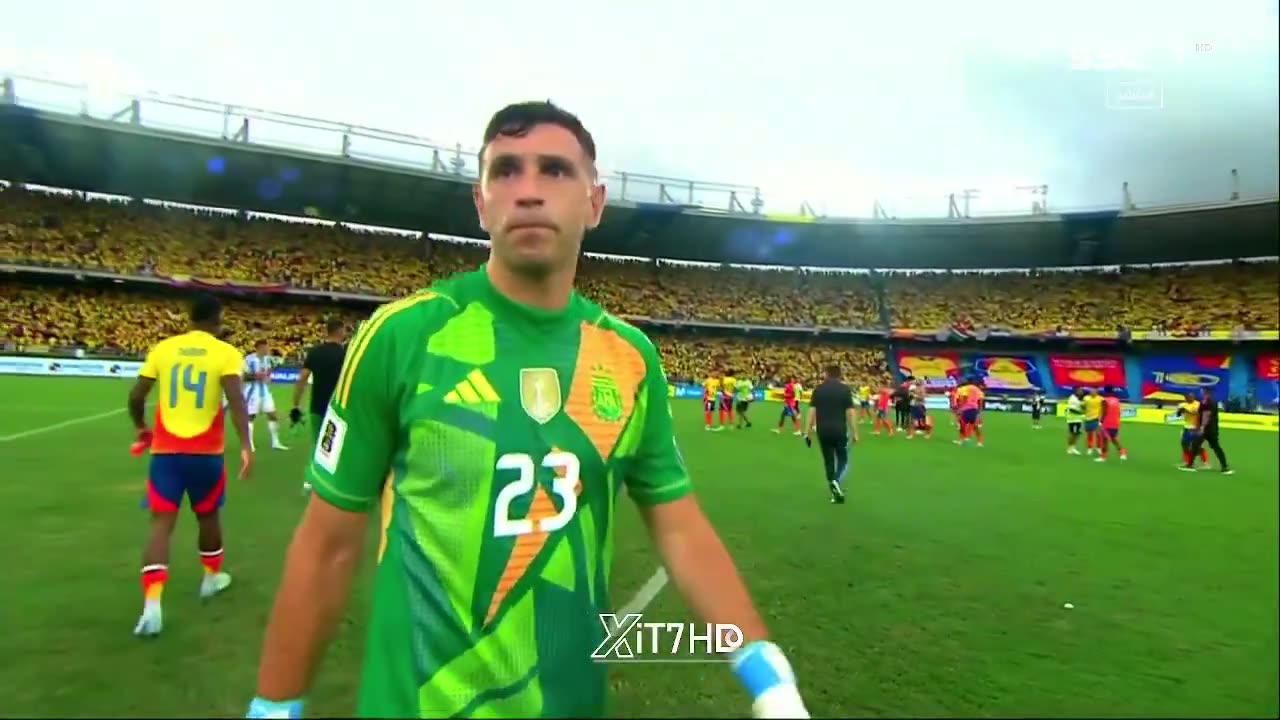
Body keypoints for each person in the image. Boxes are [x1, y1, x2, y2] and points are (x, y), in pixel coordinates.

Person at [246, 101, 809, 720]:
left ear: (594, 203)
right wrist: (274, 705)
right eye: (506, 171)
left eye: (555, 172)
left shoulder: (629, 358)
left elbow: (679, 524)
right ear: (481, 203)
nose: (530, 191)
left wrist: (764, 669)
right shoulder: (402, 337)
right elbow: (328, 543)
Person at [126, 293, 254, 637]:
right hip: (206, 455)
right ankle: (211, 579)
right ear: (218, 318)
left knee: (160, 525)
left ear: (190, 318)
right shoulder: (225, 353)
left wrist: (141, 427)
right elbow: (236, 399)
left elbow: (136, 396)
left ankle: (152, 606)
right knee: (208, 515)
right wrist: (245, 445)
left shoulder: (163, 349)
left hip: (166, 454)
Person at [291, 319, 350, 493]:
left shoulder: (315, 352)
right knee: (340, 446)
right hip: (340, 408)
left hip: (317, 406)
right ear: (340, 332)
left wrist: (296, 404)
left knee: (318, 445)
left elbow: (302, 378)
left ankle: (310, 483)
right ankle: (337, 484)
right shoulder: (347, 354)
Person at [802, 364, 859, 504]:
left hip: (822, 430)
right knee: (843, 459)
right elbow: (850, 412)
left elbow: (811, 411)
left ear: (826, 374)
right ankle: (836, 481)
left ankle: (834, 488)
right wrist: (855, 432)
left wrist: (807, 431)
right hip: (839, 429)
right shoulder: (844, 389)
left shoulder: (819, 389)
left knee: (828, 460)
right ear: (839, 375)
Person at [243, 339, 289, 451]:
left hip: (265, 391)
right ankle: (249, 444)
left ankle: (275, 442)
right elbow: (243, 377)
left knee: (272, 414)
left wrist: (268, 375)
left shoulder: (268, 359)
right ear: (258, 348)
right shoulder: (249, 359)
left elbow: (270, 370)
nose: (267, 349)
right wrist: (255, 376)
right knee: (250, 417)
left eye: (267, 347)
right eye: (265, 347)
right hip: (252, 391)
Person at [1182, 388, 1233, 474]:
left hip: (1206, 429)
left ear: (1206, 392)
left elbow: (1206, 414)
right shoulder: (1213, 401)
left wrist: (1202, 427)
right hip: (1213, 429)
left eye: (1203, 391)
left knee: (1195, 445)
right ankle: (1225, 467)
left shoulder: (1206, 401)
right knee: (1215, 447)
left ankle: (1190, 465)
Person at [1176, 392, 1210, 469]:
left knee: (1198, 447)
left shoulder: (1198, 404)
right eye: (1188, 397)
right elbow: (1178, 415)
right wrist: (1179, 411)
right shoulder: (1182, 405)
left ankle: (1205, 463)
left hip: (1196, 428)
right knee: (1185, 446)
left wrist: (1185, 410)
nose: (1190, 398)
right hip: (1186, 427)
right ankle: (1187, 462)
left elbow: (1195, 412)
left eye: (1191, 397)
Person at [1095, 386, 1128, 462]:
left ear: (1105, 391)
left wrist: (1101, 422)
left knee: (1104, 440)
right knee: (1114, 439)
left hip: (1107, 423)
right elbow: (1119, 412)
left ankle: (1103, 457)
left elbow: (1105, 412)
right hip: (1115, 423)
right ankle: (1122, 453)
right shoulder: (1117, 400)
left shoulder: (1104, 400)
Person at [955, 379, 985, 447]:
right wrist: (979, 412)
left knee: (962, 425)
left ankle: (960, 440)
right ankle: (980, 442)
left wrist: (960, 408)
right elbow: (980, 401)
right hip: (974, 408)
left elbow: (964, 397)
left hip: (966, 408)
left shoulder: (965, 388)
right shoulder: (978, 390)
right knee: (975, 426)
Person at [1081, 388, 1104, 455]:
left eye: (1094, 391)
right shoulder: (1086, 398)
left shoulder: (1101, 399)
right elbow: (1083, 407)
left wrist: (1101, 418)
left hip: (1096, 418)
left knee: (1098, 434)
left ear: (1097, 392)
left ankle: (1098, 447)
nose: (1092, 392)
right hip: (1088, 418)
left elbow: (1103, 408)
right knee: (1089, 434)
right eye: (1091, 391)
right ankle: (1090, 448)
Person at [1064, 387, 1086, 455]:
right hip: (1073, 419)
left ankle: (1073, 447)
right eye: (1080, 390)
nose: (1081, 392)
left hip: (1077, 419)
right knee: (1073, 433)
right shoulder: (1072, 399)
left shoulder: (1078, 398)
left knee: (1076, 433)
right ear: (1076, 391)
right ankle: (1070, 448)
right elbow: (1072, 410)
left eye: (1082, 390)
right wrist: (1082, 413)